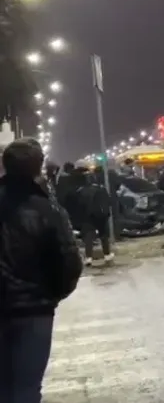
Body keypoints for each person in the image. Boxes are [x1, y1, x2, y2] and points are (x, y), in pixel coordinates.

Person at [0, 138, 84, 402]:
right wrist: (50, 296)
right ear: (39, 167)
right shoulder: (48, 210)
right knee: (26, 388)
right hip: (34, 312)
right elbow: (69, 261)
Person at [74, 167, 114, 266]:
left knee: (89, 237)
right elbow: (108, 201)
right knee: (103, 236)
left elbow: (78, 205)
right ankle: (107, 255)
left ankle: (88, 258)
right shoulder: (101, 189)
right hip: (100, 216)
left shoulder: (80, 191)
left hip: (87, 217)